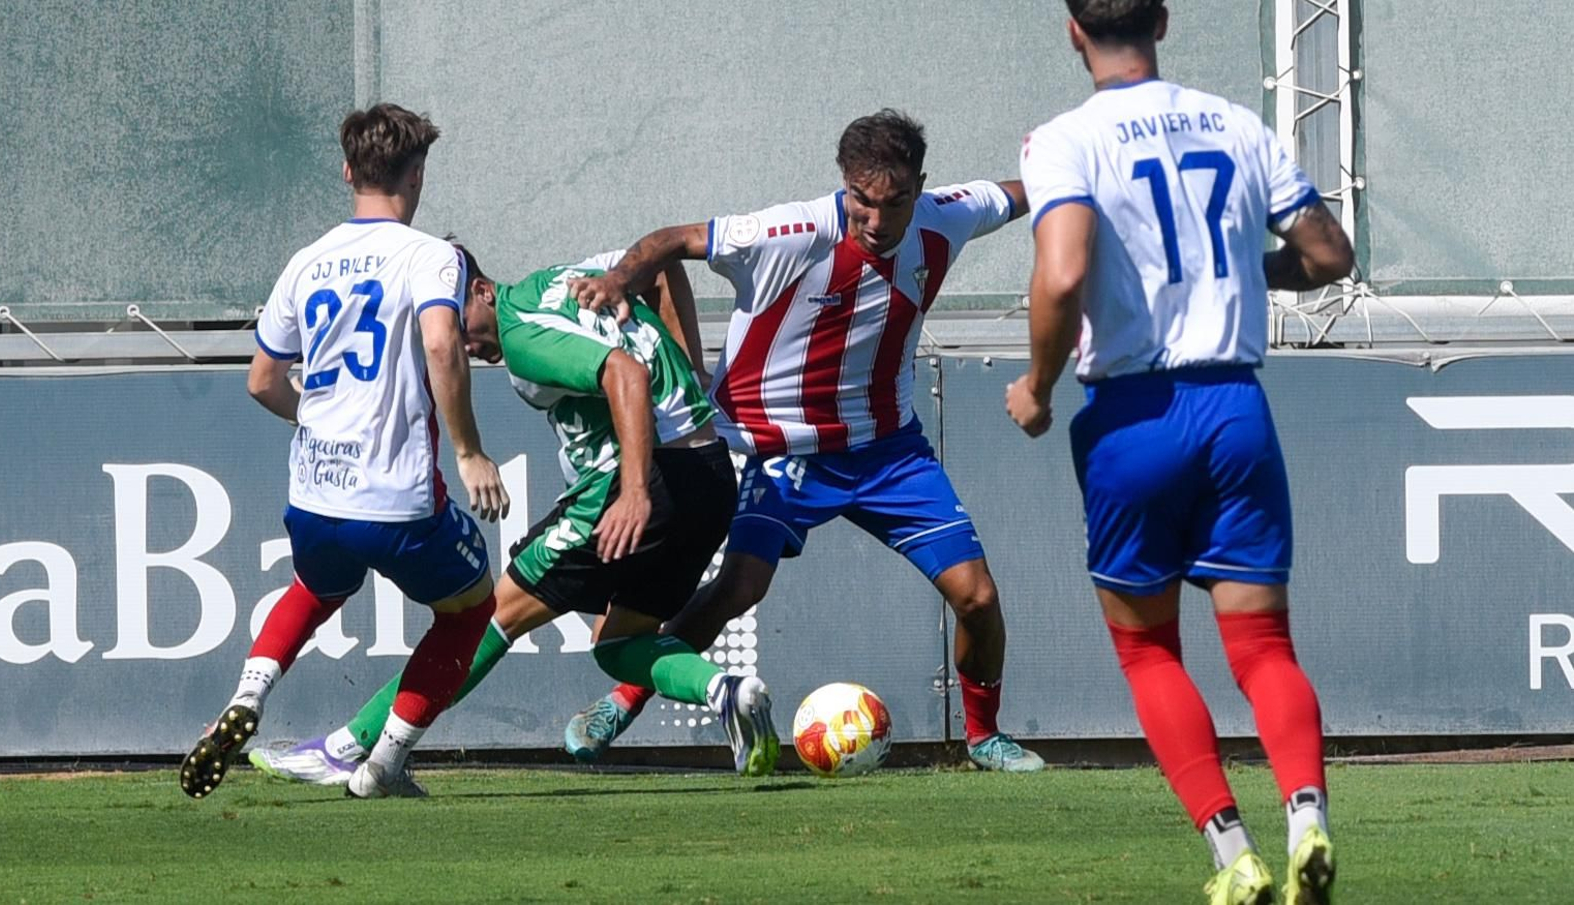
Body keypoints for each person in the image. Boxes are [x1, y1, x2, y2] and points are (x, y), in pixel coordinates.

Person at [564, 109, 1045, 773]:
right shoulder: (790, 232)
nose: (876, 221)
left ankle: (984, 735)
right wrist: (621, 279)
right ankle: (622, 696)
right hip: (774, 448)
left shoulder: (947, 217)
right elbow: (673, 238)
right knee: (738, 588)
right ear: (845, 187)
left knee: (979, 597)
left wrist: (1097, 172)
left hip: (888, 452)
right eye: (862, 202)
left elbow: (1026, 190)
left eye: (895, 202)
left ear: (920, 187)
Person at [1006, 2, 1354, 902]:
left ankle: (1232, 853)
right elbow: (1327, 253)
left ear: (1072, 30)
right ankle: (1307, 816)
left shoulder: (1064, 140)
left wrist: (1038, 386)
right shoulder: (1239, 123)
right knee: (1264, 644)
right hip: (1236, 405)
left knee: (1150, 653)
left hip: (1134, 414)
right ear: (1162, 18)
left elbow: (1065, 271)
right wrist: (1237, 268)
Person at [249, 244, 779, 789]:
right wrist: (687, 369)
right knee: (620, 646)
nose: (463, 344)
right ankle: (726, 691)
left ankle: (349, 747)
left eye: (459, 326)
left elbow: (626, 375)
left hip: (645, 480)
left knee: (485, 618)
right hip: (710, 474)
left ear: (482, 290)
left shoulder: (522, 336)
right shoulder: (568, 276)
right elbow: (661, 265)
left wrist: (637, 490)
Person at [180, 103, 509, 800]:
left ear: (346, 171)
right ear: (416, 176)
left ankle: (248, 692)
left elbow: (262, 381)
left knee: (317, 585)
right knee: (471, 610)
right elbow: (444, 343)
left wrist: (325, 419)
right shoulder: (431, 256)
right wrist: (470, 450)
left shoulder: (307, 260)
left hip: (314, 493)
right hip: (396, 496)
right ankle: (384, 763)